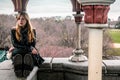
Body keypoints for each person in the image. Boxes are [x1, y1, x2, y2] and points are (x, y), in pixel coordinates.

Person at [8, 12, 44, 78]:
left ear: (27, 20)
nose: (20, 21)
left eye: (23, 19)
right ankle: (18, 67)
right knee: (18, 53)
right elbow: (15, 44)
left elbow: (33, 44)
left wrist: (31, 48)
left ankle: (27, 67)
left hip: (23, 50)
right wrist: (30, 48)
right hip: (21, 50)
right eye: (19, 19)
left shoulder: (32, 30)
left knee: (28, 55)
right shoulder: (14, 30)